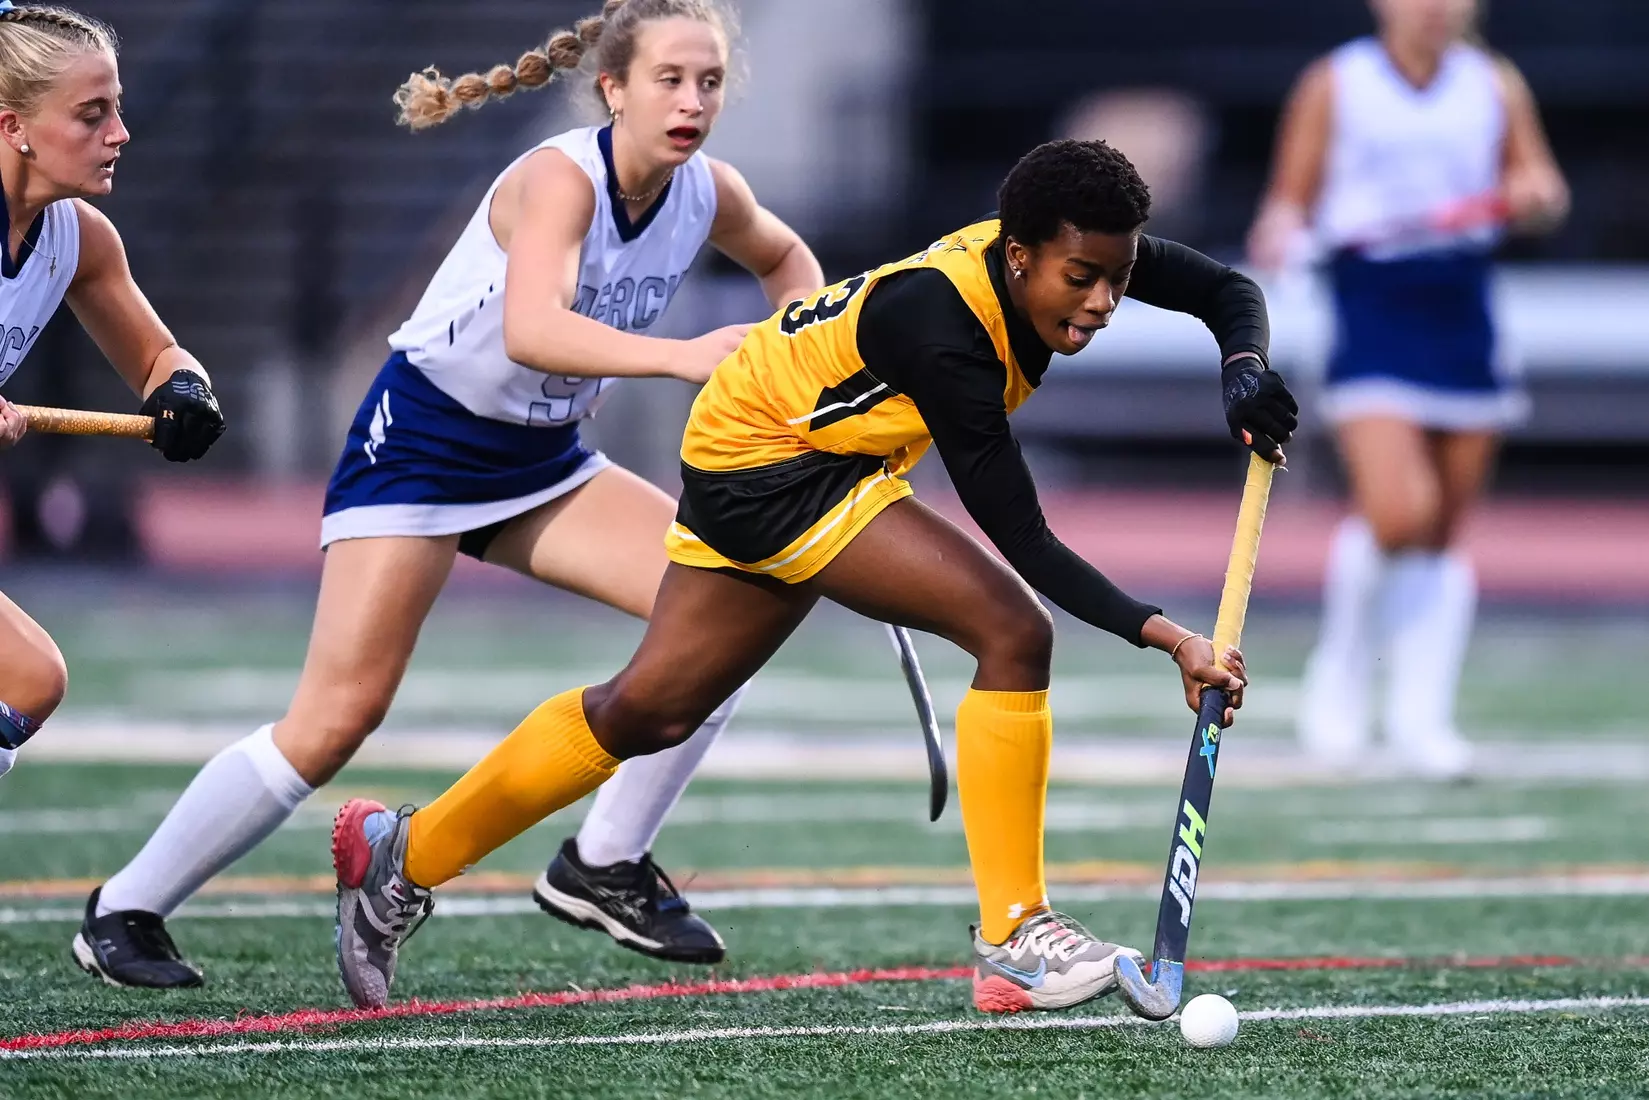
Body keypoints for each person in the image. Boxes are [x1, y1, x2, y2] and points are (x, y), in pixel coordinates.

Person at [328, 137, 1300, 1013]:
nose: (1100, 301)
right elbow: (1023, 536)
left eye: (1116, 279)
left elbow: (1224, 292)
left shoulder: (1064, 245)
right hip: (772, 465)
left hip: (773, 439)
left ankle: (402, 852)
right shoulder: (946, 331)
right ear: (1018, 257)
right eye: (1080, 278)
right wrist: (1167, 635)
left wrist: (1242, 368)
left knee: (647, 709)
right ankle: (1013, 933)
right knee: (1011, 629)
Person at [78, 0, 823, 989]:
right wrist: (682, 357)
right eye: (669, 80)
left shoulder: (707, 190)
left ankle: (602, 860)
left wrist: (799, 372)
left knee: (724, 618)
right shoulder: (558, 177)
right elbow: (534, 332)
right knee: (335, 717)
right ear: (612, 89)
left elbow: (787, 263)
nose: (692, 101)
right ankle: (124, 905)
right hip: (424, 444)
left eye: (710, 82)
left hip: (544, 458)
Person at [1247, 0, 1568, 778]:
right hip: (1372, 303)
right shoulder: (1337, 81)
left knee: (1443, 531)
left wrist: (1528, 197)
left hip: (1461, 304)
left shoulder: (1492, 82)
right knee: (1398, 513)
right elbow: (1287, 202)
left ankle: (1421, 716)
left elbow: (1542, 188)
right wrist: (1283, 240)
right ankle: (1343, 673)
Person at [0, 2, 226, 782]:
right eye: (92, 115)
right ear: (12, 127)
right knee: (29, 675)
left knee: (29, 680)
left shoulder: (77, 240)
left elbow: (158, 354)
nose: (120, 133)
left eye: (117, 110)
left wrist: (185, 390)